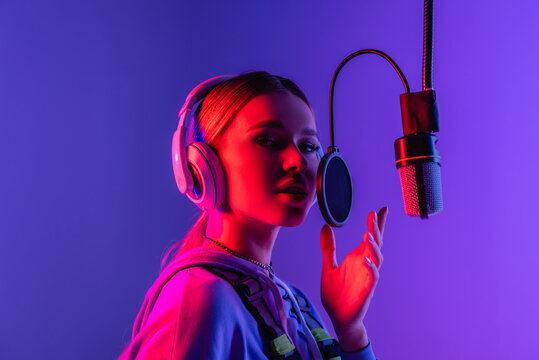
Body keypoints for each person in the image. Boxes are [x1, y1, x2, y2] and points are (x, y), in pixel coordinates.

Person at [119, 71, 388, 360]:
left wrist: (350, 331)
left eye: (308, 146)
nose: (298, 161)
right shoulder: (197, 298)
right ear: (203, 165)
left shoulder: (298, 304)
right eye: (267, 140)